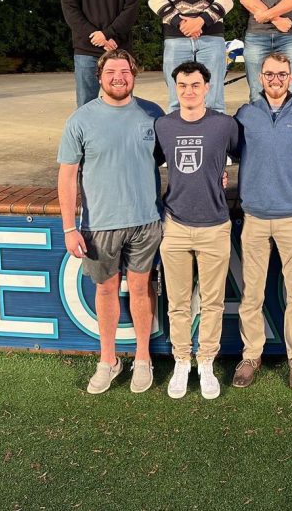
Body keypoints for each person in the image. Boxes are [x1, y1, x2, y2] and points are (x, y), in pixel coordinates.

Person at [57, 49, 164, 394]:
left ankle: (143, 358)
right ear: (100, 76)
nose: (119, 77)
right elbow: (67, 176)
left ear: (134, 75)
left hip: (146, 221)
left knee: (140, 288)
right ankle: (108, 360)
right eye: (111, 71)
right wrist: (69, 227)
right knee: (105, 289)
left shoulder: (152, 114)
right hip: (99, 224)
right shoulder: (81, 119)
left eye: (125, 71)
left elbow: (173, 158)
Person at [232, 53, 292, 391]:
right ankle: (251, 355)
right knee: (251, 293)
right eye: (269, 73)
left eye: (281, 74)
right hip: (255, 216)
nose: (275, 79)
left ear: (291, 76)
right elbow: (231, 152)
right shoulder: (246, 114)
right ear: (260, 76)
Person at [153, 61, 239, 400]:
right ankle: (180, 360)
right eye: (182, 85)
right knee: (177, 302)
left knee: (213, 302)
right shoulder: (164, 125)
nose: (188, 91)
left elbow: (244, 153)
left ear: (207, 87)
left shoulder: (224, 125)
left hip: (215, 225)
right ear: (176, 88)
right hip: (175, 224)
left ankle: (205, 362)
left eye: (195, 85)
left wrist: (222, 175)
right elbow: (154, 159)